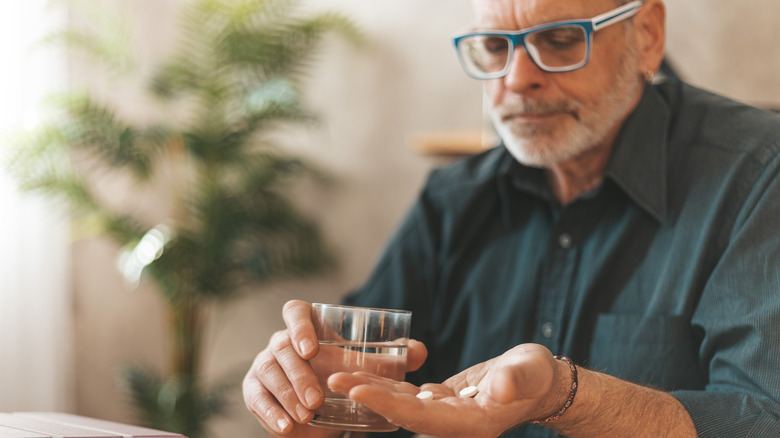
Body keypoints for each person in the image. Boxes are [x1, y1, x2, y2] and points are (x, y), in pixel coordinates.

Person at [243, 0, 780, 436]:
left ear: (646, 35)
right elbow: (354, 378)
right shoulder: (453, 199)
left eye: (562, 39)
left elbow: (761, 420)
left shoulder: (757, 176)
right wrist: (309, 394)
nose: (518, 78)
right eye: (496, 46)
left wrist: (566, 396)